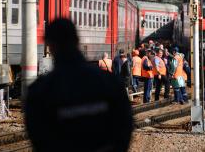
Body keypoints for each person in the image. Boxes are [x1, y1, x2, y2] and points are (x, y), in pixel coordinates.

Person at [25, 18, 133, 152]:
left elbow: (40, 140)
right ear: (77, 40)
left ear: (49, 45)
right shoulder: (110, 82)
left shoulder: (40, 90)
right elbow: (125, 126)